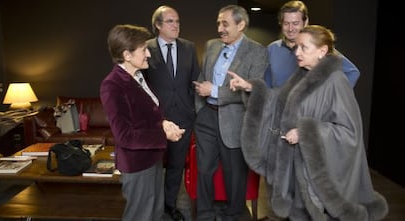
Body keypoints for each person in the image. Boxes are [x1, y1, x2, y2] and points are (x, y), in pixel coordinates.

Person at [229, 25, 388, 220]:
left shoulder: (336, 81)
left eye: (304, 47)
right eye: (296, 47)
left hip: (313, 174)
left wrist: (305, 132)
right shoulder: (302, 75)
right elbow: (279, 102)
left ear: (322, 51)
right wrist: (251, 87)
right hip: (294, 168)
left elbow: (349, 133)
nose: (297, 52)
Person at [100, 24, 185, 221]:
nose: (148, 53)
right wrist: (164, 134)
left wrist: (163, 123)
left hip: (152, 159)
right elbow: (125, 136)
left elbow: (148, 113)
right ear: (127, 55)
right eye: (143, 49)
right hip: (137, 165)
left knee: (154, 214)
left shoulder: (137, 76)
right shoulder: (112, 85)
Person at [193, 5, 268, 221]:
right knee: (204, 170)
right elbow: (202, 77)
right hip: (207, 116)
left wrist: (215, 90)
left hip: (235, 121)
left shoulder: (257, 52)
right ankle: (205, 214)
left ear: (241, 24)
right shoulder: (212, 45)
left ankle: (234, 215)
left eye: (225, 23)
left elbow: (253, 89)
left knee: (234, 174)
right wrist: (201, 108)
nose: (220, 28)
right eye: (218, 23)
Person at [143, 5, 200, 221]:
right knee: (153, 168)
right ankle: (152, 209)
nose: (176, 25)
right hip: (156, 121)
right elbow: (142, 86)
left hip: (184, 118)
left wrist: (193, 109)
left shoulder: (188, 47)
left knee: (176, 167)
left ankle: (169, 207)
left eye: (177, 21)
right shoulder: (145, 48)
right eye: (170, 21)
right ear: (158, 25)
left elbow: (195, 80)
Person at [265, 0, 360, 88]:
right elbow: (267, 84)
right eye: (286, 23)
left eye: (295, 23)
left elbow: (352, 73)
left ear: (305, 22)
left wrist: (330, 97)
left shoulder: (317, 48)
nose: (290, 29)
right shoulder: (272, 48)